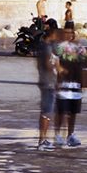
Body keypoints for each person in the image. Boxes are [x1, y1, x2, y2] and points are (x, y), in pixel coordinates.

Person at [52, 23, 87, 147]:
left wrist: (84, 84)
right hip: (63, 83)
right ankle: (57, 134)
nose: (68, 35)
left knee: (73, 112)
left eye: (70, 33)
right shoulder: (59, 47)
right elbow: (54, 62)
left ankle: (70, 134)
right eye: (66, 32)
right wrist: (58, 75)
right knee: (61, 110)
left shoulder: (81, 49)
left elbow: (85, 66)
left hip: (76, 83)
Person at [35, 20, 61, 150]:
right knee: (46, 112)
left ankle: (43, 139)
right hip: (48, 83)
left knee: (47, 112)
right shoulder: (47, 48)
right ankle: (42, 140)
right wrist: (57, 66)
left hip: (46, 82)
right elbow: (47, 64)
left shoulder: (43, 46)